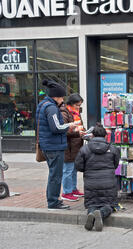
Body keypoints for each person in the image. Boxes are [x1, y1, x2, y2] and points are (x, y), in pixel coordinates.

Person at [36, 80, 78, 210]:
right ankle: (53, 202)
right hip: (53, 146)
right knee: (55, 175)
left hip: (48, 145)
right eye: (62, 97)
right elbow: (56, 127)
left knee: (54, 174)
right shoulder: (52, 108)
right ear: (57, 97)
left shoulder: (43, 104)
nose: (63, 100)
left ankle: (53, 200)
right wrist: (70, 125)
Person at [75, 124, 120, 231]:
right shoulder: (112, 149)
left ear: (92, 135)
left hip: (91, 182)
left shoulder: (84, 149)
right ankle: (101, 213)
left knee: (92, 204)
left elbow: (78, 166)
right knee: (109, 205)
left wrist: (87, 170)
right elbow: (115, 164)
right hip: (108, 182)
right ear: (105, 136)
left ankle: (92, 213)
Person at [60, 93, 85, 201]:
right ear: (71, 103)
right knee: (68, 170)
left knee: (74, 169)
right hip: (68, 146)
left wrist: (84, 132)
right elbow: (64, 130)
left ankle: (73, 189)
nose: (79, 107)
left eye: (80, 105)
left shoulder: (75, 112)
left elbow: (80, 126)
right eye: (77, 105)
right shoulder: (64, 113)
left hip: (76, 145)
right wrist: (78, 133)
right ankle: (66, 192)